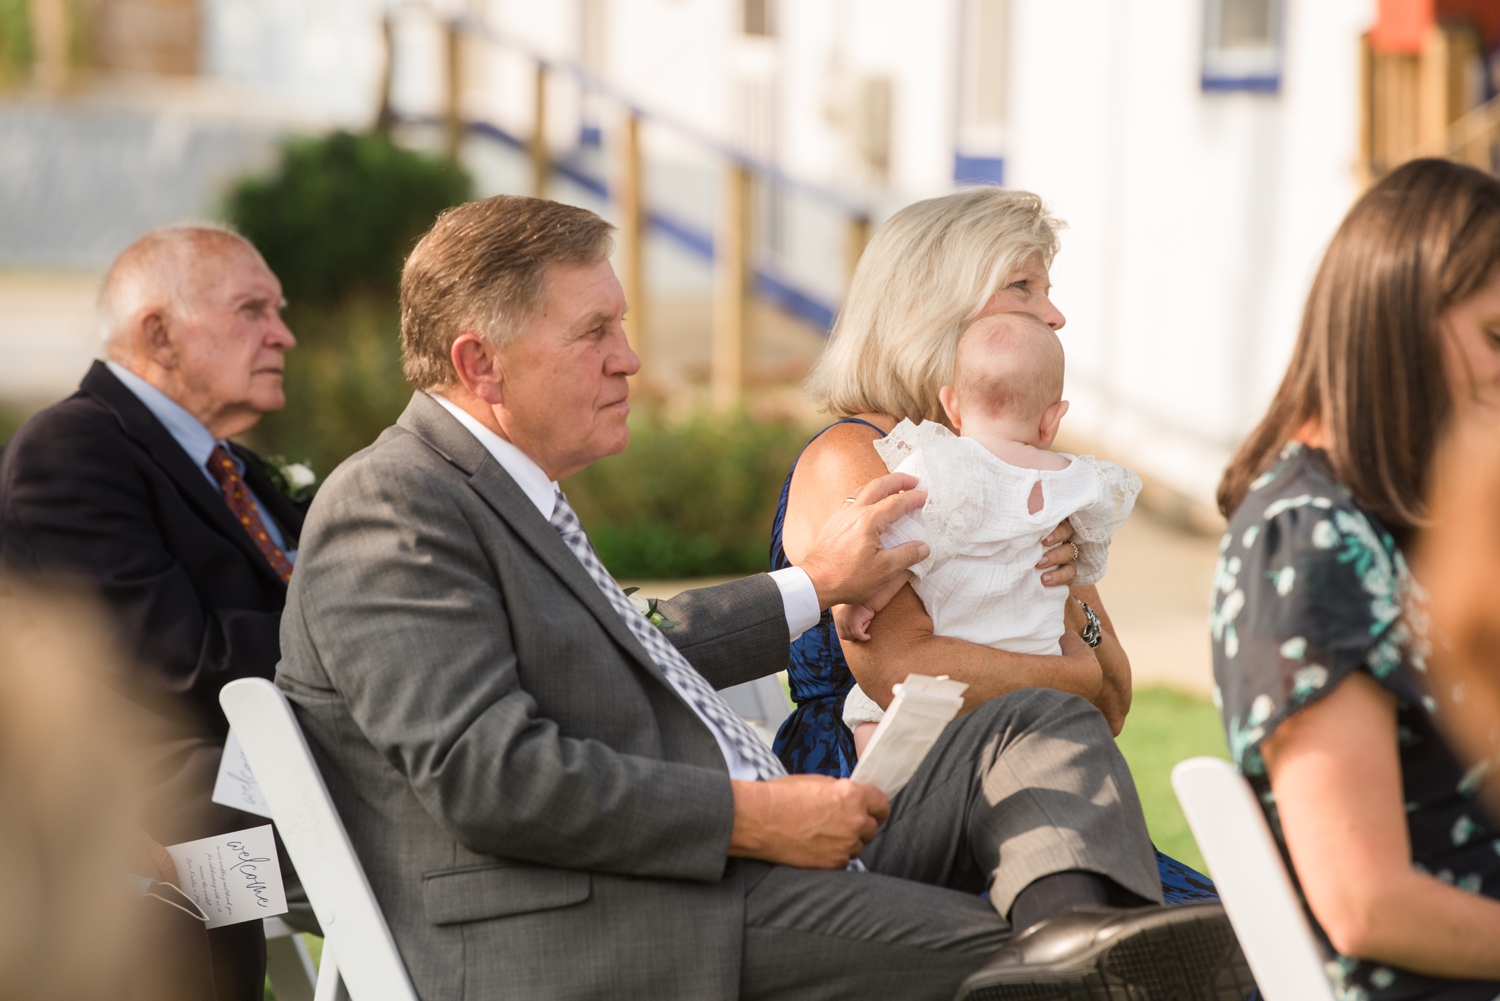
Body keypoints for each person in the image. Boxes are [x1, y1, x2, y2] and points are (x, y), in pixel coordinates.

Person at [276, 194, 1247, 1001]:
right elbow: (491, 775)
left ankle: (1078, 926)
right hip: (607, 917)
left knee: (1037, 767)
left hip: (744, 860)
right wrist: (754, 818)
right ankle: (1087, 956)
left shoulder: (506, 498)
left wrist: (817, 585)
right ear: (479, 361)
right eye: (594, 332)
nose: (631, 358)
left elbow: (637, 644)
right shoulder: (394, 505)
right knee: (1064, 972)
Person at [771, 187, 1218, 910]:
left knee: (1235, 941)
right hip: (882, 797)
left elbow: (1114, 697)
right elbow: (906, 671)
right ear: (936, 309)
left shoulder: (1013, 471)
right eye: (1023, 288)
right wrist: (1066, 674)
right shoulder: (855, 458)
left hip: (1027, 796)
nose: (1055, 313)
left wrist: (1073, 592)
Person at [1211, 158, 1500, 1000]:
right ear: (1400, 321)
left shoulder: (1387, 525)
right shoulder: (1309, 541)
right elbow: (1365, 902)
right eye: (1496, 336)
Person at [0, 226, 307, 1001]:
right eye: (253, 309)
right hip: (184, 808)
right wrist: (374, 649)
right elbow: (173, 658)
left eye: (279, 310)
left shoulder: (232, 465)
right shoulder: (71, 445)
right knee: (487, 823)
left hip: (297, 770)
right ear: (158, 333)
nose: (284, 333)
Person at [838, 311, 1140, 746]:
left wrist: (860, 604)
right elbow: (1089, 559)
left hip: (948, 685)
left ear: (952, 405)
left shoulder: (940, 468)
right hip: (1041, 667)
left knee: (868, 717)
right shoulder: (1078, 483)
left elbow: (900, 549)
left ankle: (885, 792)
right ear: (1052, 419)